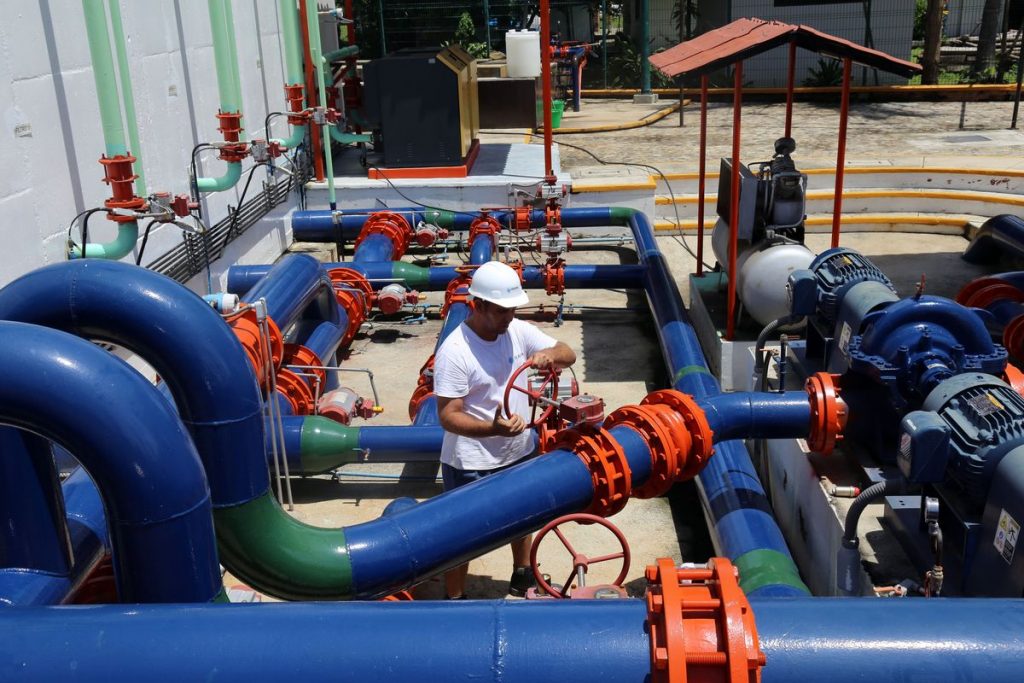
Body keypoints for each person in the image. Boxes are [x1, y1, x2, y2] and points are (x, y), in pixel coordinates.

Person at [433, 260, 577, 599]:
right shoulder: (455, 352)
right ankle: (455, 599)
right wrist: (493, 429)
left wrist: (548, 354)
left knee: (523, 519)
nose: (509, 316)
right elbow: (447, 416)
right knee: (462, 537)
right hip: (471, 463)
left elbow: (567, 353)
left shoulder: (516, 330)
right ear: (477, 305)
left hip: (520, 449)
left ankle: (522, 576)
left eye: (513, 309)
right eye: (501, 311)